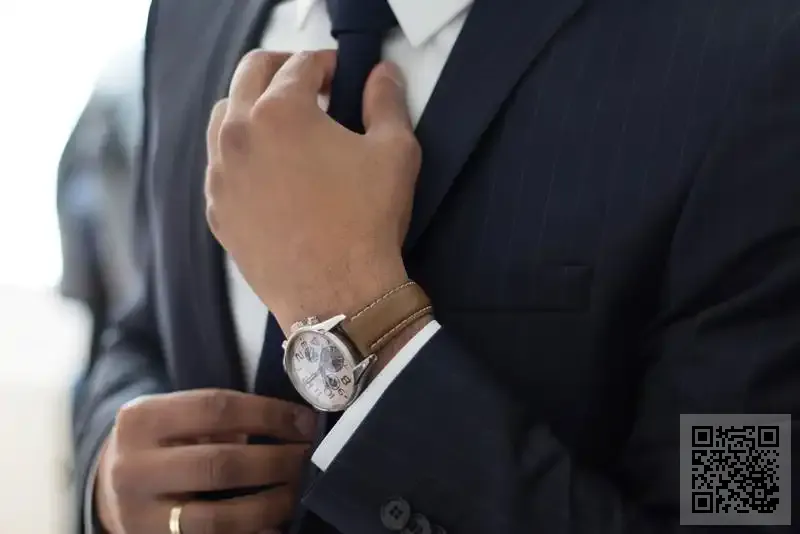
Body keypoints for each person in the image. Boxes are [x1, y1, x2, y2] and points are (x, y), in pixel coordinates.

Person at [72, 0, 800, 533]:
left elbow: (742, 513)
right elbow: (143, 326)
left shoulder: (757, 57)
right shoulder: (189, 15)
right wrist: (109, 476)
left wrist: (363, 319)